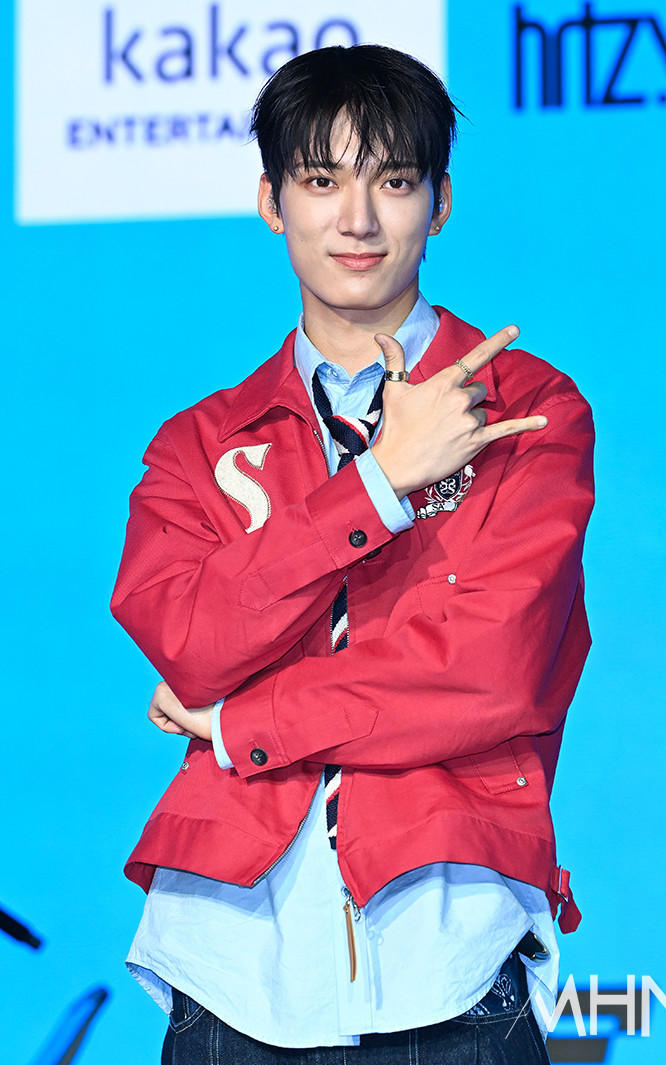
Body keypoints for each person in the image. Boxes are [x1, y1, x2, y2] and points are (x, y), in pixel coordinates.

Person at [111, 43, 594, 1065]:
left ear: (441, 203)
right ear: (272, 202)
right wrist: (379, 483)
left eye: (396, 181)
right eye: (323, 181)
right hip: (228, 958)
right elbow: (191, 644)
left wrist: (242, 720)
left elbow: (489, 675)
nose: (359, 220)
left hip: (449, 951)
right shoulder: (198, 445)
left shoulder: (528, 412)